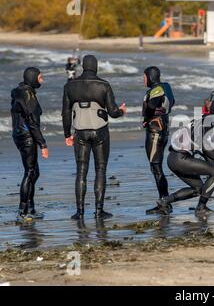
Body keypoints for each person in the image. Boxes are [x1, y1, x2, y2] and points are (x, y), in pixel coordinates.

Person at [62, 55, 127, 220]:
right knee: (100, 170)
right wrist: (121, 111)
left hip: (80, 132)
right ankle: (99, 211)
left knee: (81, 172)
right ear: (96, 66)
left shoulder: (70, 86)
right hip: (100, 132)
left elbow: (66, 112)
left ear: (83, 66)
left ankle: (80, 212)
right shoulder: (103, 85)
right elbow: (112, 112)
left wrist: (67, 134)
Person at [156, 99, 214, 216]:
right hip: (181, 159)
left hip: (173, 159)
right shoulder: (209, 122)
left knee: (198, 189)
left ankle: (164, 202)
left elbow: (204, 150)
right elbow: (206, 148)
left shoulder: (202, 119)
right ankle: (201, 208)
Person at [10, 67, 49, 222]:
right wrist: (43, 144)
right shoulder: (28, 95)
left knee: (34, 172)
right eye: (40, 77)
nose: (42, 80)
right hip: (27, 137)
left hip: (19, 135)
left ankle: (30, 208)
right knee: (30, 172)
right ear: (33, 78)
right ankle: (22, 211)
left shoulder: (20, 91)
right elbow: (32, 122)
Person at [141, 66, 175, 215]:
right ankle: (164, 201)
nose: (143, 80)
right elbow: (170, 103)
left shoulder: (157, 89)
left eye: (144, 77)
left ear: (150, 76)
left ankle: (164, 203)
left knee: (156, 167)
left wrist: (148, 117)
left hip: (156, 130)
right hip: (163, 128)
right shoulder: (166, 87)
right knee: (157, 167)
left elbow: (151, 105)